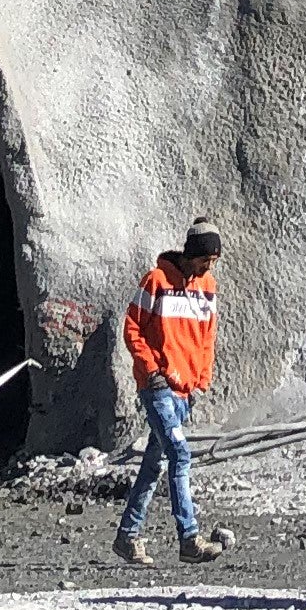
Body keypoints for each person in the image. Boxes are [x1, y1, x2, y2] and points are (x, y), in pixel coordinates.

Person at [112, 224, 228, 565]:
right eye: (205, 259)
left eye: (213, 260)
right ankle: (189, 537)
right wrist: (151, 371)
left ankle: (127, 537)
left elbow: (207, 336)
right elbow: (132, 327)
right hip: (159, 387)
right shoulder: (156, 281)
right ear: (192, 254)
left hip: (186, 390)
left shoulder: (208, 287)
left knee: (154, 463)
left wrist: (201, 379)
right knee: (180, 454)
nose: (209, 267)